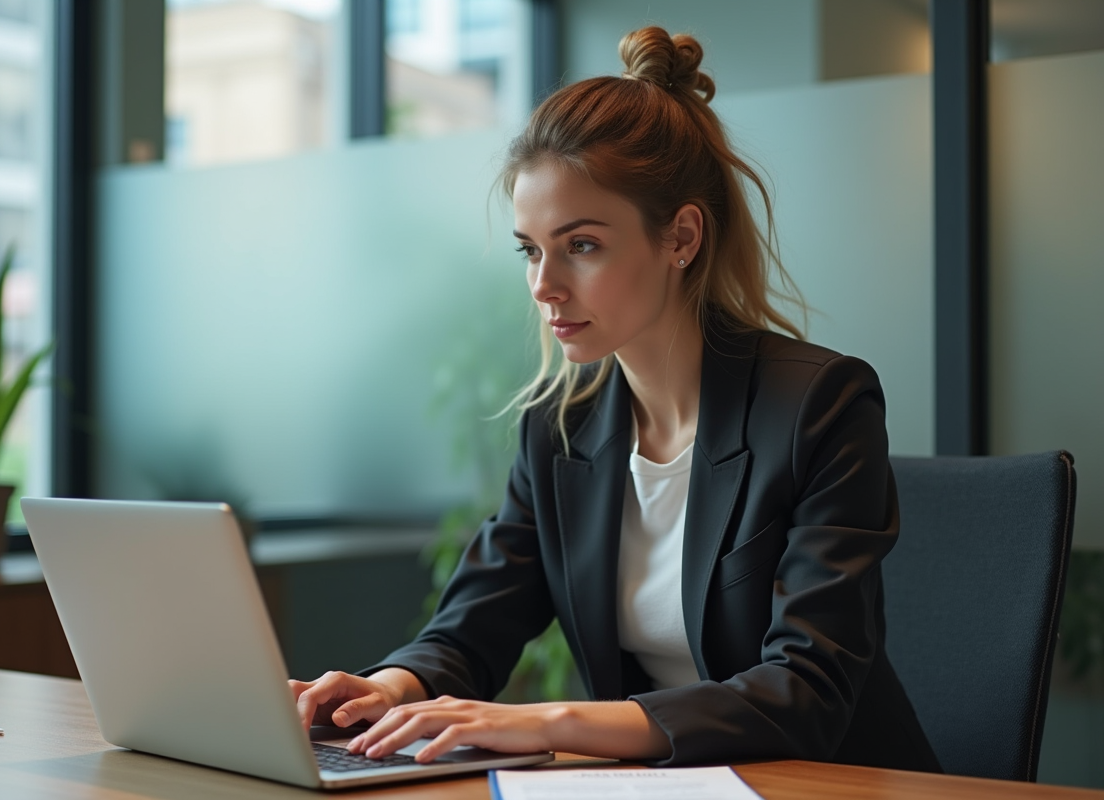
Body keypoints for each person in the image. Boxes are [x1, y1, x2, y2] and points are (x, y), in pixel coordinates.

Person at [290, 25, 941, 772]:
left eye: (582, 245)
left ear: (682, 237)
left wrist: (548, 722)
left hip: (829, 787)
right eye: (531, 249)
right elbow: (476, 622)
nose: (544, 285)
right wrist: (387, 688)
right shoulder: (560, 428)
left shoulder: (818, 406)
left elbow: (806, 690)